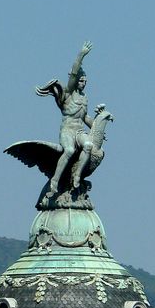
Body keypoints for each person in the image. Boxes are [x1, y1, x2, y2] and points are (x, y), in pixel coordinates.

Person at [37, 41, 97, 195]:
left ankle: (77, 176)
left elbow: (85, 118)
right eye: (82, 80)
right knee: (69, 150)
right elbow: (75, 71)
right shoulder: (69, 94)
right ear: (76, 80)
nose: (84, 83)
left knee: (89, 145)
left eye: (86, 81)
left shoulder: (84, 98)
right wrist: (81, 54)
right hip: (67, 131)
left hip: (79, 131)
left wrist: (97, 126)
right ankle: (55, 180)